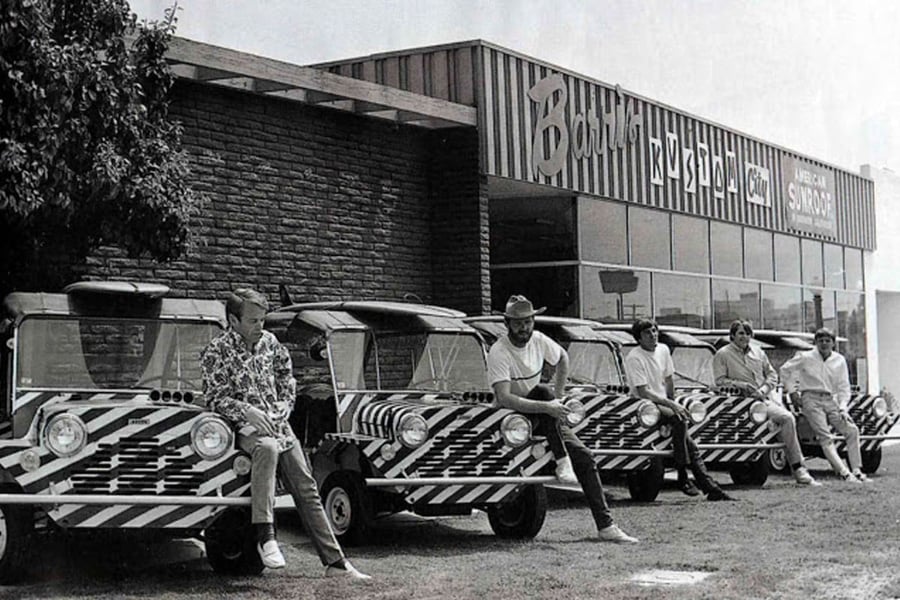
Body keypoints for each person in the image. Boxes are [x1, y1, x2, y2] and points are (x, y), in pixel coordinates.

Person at [200, 288, 371, 579]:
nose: (260, 327)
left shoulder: (271, 343)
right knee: (265, 448)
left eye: (262, 320)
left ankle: (336, 564)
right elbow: (213, 397)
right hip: (243, 427)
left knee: (306, 488)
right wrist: (247, 412)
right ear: (233, 320)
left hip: (278, 425)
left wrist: (279, 410)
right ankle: (267, 537)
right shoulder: (216, 351)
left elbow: (287, 381)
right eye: (253, 321)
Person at [486, 295, 638, 544]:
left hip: (545, 416)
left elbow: (563, 359)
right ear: (506, 323)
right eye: (517, 323)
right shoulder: (499, 351)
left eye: (527, 322)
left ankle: (606, 525)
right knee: (544, 393)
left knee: (586, 457)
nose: (523, 328)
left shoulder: (538, 339)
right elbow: (504, 398)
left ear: (533, 321)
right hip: (512, 421)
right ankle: (562, 460)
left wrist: (559, 395)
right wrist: (549, 404)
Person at [623, 319, 734, 501]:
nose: (653, 335)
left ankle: (711, 489)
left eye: (654, 331)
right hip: (644, 405)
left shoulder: (664, 350)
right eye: (647, 333)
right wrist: (672, 405)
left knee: (691, 446)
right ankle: (683, 475)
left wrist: (673, 401)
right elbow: (643, 391)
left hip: (663, 403)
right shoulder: (634, 357)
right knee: (681, 421)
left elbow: (669, 379)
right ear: (638, 338)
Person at [713, 320, 821, 486]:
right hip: (736, 403)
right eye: (741, 333)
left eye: (748, 333)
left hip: (762, 400)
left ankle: (799, 468)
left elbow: (772, 375)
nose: (745, 337)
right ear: (733, 335)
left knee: (787, 418)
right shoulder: (722, 354)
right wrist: (742, 386)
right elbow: (719, 381)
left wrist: (763, 390)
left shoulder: (759, 352)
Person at [779, 327, 869, 483]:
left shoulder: (839, 360)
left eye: (828, 341)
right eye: (820, 341)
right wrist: (792, 392)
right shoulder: (805, 357)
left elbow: (843, 387)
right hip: (810, 398)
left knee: (852, 430)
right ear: (815, 343)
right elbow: (785, 370)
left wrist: (843, 407)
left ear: (833, 343)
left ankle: (857, 470)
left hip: (829, 399)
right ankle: (844, 473)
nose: (824, 344)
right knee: (825, 437)